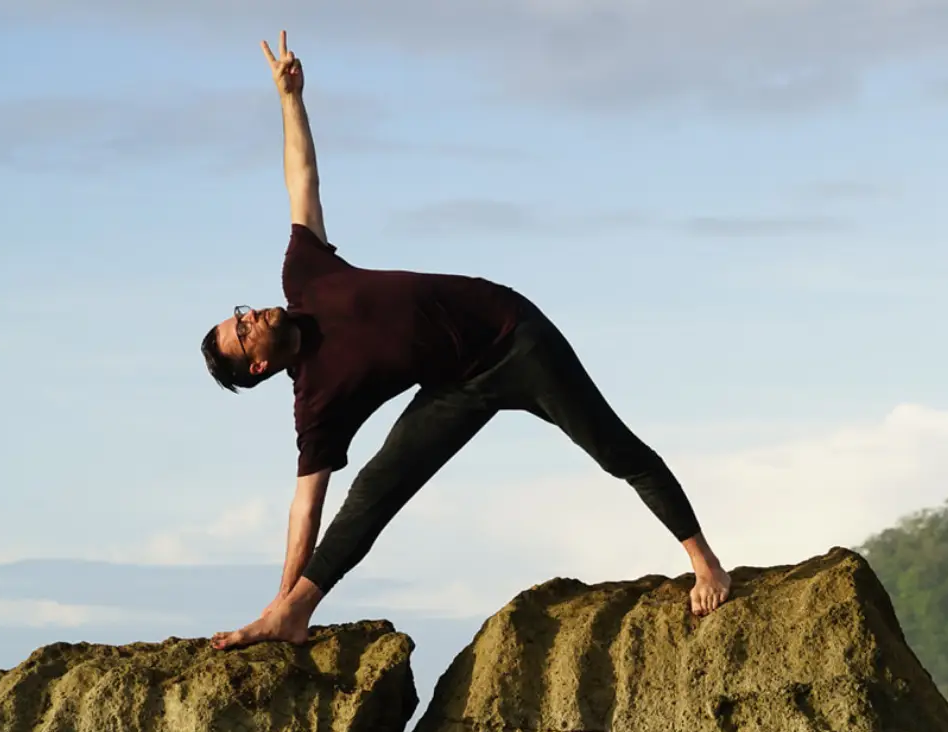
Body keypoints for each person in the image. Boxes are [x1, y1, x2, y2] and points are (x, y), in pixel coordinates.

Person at [202, 32, 732, 650]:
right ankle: (294, 615)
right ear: (261, 364)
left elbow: (303, 179)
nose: (251, 317)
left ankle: (705, 562)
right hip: (457, 387)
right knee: (375, 488)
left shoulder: (304, 274)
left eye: (240, 314)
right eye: (243, 333)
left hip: (513, 336)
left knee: (613, 448)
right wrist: (284, 598)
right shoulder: (317, 402)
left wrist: (290, 98)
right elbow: (305, 508)